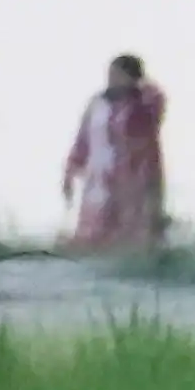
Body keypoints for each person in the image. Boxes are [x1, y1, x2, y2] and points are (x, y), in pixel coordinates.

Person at [61, 52, 167, 255]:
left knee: (134, 234)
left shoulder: (142, 106)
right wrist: (70, 172)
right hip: (98, 181)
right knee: (91, 236)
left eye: (118, 74)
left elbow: (157, 102)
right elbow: (82, 141)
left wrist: (139, 85)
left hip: (134, 180)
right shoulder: (97, 103)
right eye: (110, 74)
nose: (112, 79)